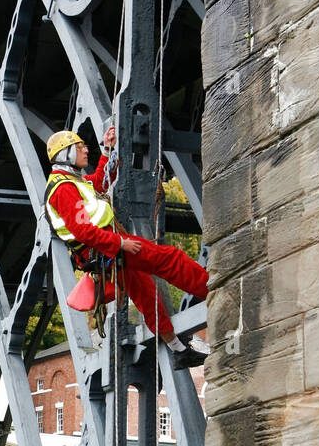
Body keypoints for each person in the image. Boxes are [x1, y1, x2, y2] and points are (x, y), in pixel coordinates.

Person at [44, 125, 209, 370]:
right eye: (79, 148)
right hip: (108, 249)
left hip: (104, 254)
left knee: (145, 293)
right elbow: (83, 231)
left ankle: (178, 350)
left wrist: (107, 149)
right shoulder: (64, 189)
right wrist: (121, 243)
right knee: (169, 259)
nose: (85, 150)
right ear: (65, 154)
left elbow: (100, 183)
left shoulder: (71, 183)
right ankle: (212, 288)